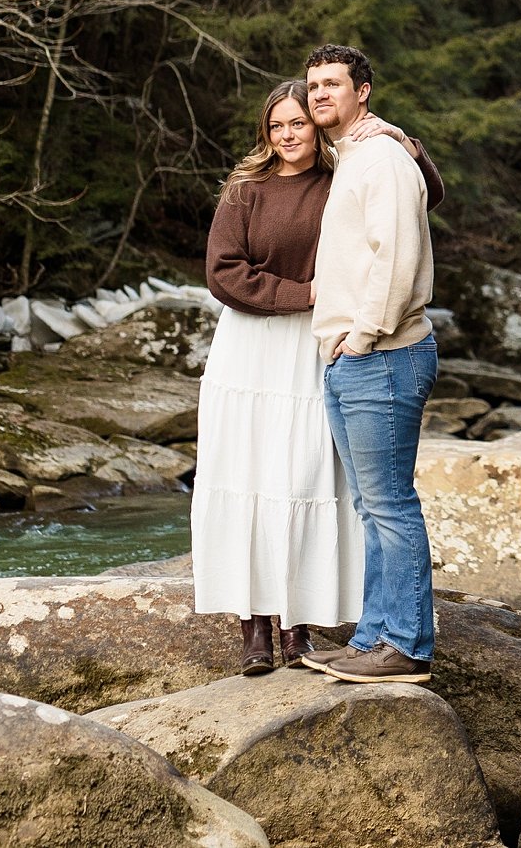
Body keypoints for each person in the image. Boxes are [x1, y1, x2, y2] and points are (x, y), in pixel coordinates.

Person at [190, 80, 364, 674]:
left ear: (318, 126)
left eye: (298, 123)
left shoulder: (345, 179)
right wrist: (301, 292)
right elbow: (222, 272)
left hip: (311, 347)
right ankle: (254, 631)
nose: (288, 135)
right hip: (247, 347)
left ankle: (299, 628)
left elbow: (425, 196)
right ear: (267, 134)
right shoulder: (247, 190)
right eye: (277, 126)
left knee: (303, 476)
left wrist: (398, 141)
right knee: (246, 475)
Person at [299, 42, 440, 684]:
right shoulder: (356, 155)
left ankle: (406, 646)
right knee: (372, 507)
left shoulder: (381, 157)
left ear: (363, 91)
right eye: (314, 86)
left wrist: (361, 336)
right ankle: (372, 637)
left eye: (333, 84)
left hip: (381, 355)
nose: (321, 94)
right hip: (359, 359)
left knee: (389, 505)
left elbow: (396, 256)